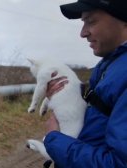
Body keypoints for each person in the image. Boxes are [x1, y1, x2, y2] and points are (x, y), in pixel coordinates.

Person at [43, 0, 127, 167]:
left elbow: (118, 164)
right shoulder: (111, 63)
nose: (83, 33)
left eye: (91, 21)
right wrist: (64, 95)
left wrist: (54, 139)